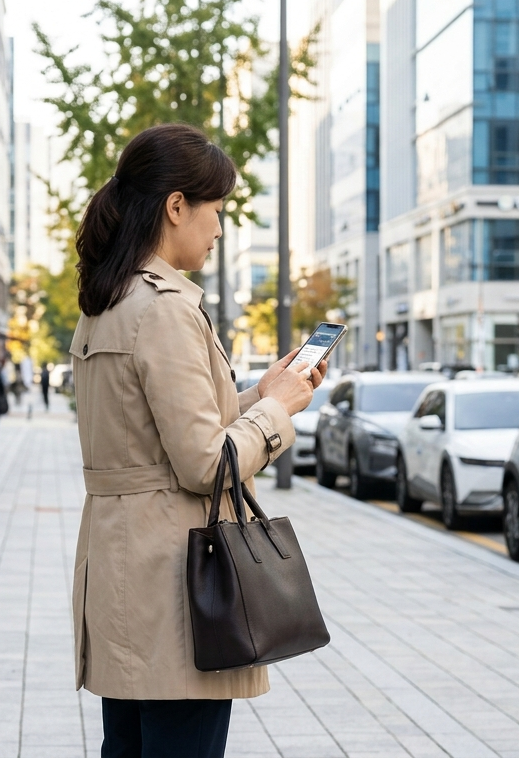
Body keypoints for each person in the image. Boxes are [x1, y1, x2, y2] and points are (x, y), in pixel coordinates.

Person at [69, 124, 327, 758]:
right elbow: (204, 463)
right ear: (175, 206)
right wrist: (276, 412)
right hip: (176, 587)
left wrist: (261, 394)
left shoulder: (108, 298)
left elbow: (156, 434)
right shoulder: (164, 307)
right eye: (215, 211)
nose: (218, 229)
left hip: (122, 569)